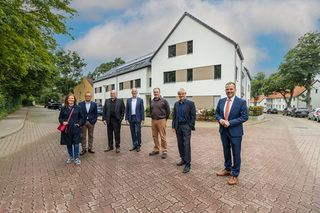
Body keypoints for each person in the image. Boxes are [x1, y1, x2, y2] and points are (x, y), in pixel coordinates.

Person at [215, 82, 248, 185]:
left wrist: (230, 123)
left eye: (231, 89)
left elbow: (244, 117)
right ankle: (228, 169)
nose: (229, 91)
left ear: (235, 90)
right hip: (223, 131)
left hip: (235, 132)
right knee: (226, 151)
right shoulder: (221, 101)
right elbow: (217, 113)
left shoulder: (241, 102)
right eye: (227, 89)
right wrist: (220, 120)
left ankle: (235, 174)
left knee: (236, 153)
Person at [172, 88, 196, 173]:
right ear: (178, 95)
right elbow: (174, 116)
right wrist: (173, 126)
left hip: (186, 126)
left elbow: (193, 115)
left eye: (182, 94)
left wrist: (190, 126)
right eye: (179, 94)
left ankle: (188, 164)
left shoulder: (190, 103)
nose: (181, 95)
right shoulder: (176, 104)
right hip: (178, 126)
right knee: (180, 144)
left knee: (186, 145)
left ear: (185, 94)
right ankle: (183, 159)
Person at [58, 94, 85, 165]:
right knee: (68, 143)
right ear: (67, 99)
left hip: (75, 128)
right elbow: (60, 118)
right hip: (67, 129)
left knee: (76, 143)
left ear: (74, 99)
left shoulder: (78, 107)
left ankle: (76, 158)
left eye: (72, 98)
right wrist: (62, 122)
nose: (71, 99)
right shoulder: (63, 108)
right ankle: (71, 156)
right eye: (69, 98)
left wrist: (79, 124)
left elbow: (82, 117)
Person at [149, 88, 170, 159]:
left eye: (157, 92)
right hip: (153, 120)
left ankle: (164, 151)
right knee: (154, 136)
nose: (156, 93)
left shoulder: (164, 101)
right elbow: (151, 110)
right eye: (154, 92)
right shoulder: (152, 101)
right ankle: (156, 149)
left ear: (159, 92)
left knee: (162, 136)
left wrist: (164, 119)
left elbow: (168, 111)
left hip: (161, 120)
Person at [125, 88, 145, 152]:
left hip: (138, 118)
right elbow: (127, 110)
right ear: (131, 92)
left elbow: (142, 110)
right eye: (133, 91)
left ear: (137, 92)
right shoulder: (128, 100)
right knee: (132, 132)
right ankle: (134, 145)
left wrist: (143, 119)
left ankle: (139, 145)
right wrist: (126, 119)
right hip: (131, 118)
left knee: (138, 131)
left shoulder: (140, 100)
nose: (134, 92)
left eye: (135, 91)